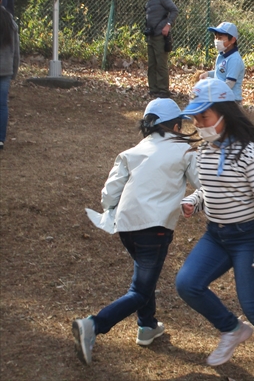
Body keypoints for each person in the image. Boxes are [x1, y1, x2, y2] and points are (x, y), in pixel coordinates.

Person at [176, 78, 254, 381]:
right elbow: (210, 190)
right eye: (195, 118)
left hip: (249, 236)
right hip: (216, 235)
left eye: (204, 117)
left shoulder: (250, 153)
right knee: (187, 284)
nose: (199, 124)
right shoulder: (205, 151)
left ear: (224, 114)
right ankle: (232, 329)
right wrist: (194, 201)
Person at [72, 99, 200, 365]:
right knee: (140, 289)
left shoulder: (132, 152)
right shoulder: (184, 151)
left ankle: (147, 325)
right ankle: (94, 324)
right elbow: (203, 183)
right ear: (176, 126)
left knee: (145, 276)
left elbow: (109, 192)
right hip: (155, 229)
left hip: (126, 226)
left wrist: (109, 208)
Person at [143, 0, 178, 98]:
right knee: (152, 64)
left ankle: (163, 90)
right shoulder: (150, 0)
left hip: (160, 36)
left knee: (161, 63)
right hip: (151, 36)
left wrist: (168, 25)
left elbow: (174, 10)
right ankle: (153, 88)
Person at [199, 22, 245, 102]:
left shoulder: (234, 59)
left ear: (233, 40)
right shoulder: (222, 55)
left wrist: (211, 84)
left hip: (231, 101)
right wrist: (208, 74)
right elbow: (221, 72)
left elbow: (229, 84)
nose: (217, 41)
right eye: (216, 38)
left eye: (220, 38)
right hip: (220, 97)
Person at [0, 0, 20, 150]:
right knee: (2, 105)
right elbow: (15, 51)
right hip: (5, 69)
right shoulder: (10, 22)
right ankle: (1, 138)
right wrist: (14, 70)